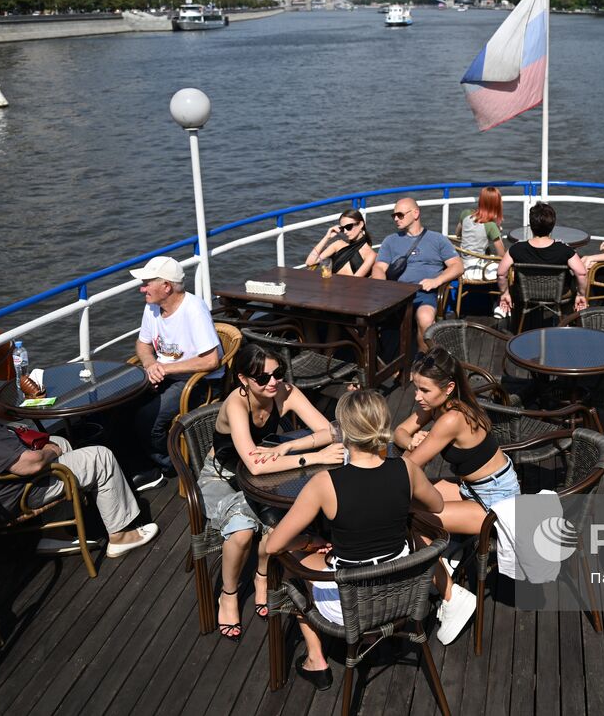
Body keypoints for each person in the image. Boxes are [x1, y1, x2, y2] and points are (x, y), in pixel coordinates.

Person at [263, 389, 448, 689]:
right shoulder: (406, 468)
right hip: (404, 592)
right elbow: (437, 505)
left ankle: (315, 659)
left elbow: (275, 546)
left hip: (351, 605)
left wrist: (308, 543)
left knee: (289, 565)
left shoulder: (325, 483)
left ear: (344, 432)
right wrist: (395, 503)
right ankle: (375, 634)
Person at [0, 351, 158, 557]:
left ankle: (64, 530)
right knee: (99, 456)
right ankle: (122, 536)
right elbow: (29, 465)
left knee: (61, 442)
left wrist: (50, 445)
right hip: (12, 496)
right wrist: (50, 450)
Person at [200, 343, 344, 641]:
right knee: (242, 533)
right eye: (262, 378)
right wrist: (313, 456)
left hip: (269, 472)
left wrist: (289, 446)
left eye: (277, 373)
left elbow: (330, 431)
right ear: (243, 380)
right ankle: (228, 594)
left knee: (280, 527)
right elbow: (253, 464)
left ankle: (262, 574)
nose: (273, 382)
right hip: (224, 476)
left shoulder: (284, 391)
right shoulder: (236, 404)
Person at [394, 347, 514, 643]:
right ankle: (445, 555)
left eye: (423, 389)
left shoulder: (452, 418)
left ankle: (451, 595)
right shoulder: (441, 403)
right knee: (414, 501)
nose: (417, 396)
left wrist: (411, 445)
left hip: (495, 502)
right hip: (474, 487)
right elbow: (399, 432)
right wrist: (411, 438)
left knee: (409, 518)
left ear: (448, 388)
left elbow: (409, 466)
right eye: (415, 388)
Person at [131, 255, 223, 491]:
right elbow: (142, 345)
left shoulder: (193, 309)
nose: (142, 288)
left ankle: (170, 466)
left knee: (148, 419)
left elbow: (212, 360)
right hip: (167, 375)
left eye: (147, 283)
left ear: (166, 286)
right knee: (120, 405)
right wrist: (152, 365)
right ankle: (140, 466)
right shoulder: (152, 307)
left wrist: (165, 368)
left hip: (198, 382)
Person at [371, 197, 462, 351]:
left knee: (425, 318)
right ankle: (380, 361)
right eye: (393, 216)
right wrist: (383, 286)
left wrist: (437, 281)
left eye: (400, 215)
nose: (396, 219)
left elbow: (458, 266)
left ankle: (421, 360)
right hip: (396, 292)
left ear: (415, 213)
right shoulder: (390, 241)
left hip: (424, 292)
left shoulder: (437, 239)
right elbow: (379, 267)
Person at [496, 201, 589, 317]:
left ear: (531, 225)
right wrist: (581, 294)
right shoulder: (565, 250)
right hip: (559, 294)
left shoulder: (517, 248)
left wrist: (504, 293)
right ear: (552, 225)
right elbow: (582, 274)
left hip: (525, 294)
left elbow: (501, 273)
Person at [304, 208, 376, 277]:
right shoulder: (338, 245)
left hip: (349, 288)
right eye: (342, 228)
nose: (345, 232)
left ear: (361, 224)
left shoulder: (370, 255)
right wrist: (326, 237)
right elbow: (310, 262)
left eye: (348, 227)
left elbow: (355, 280)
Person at [456, 186, 506, 280]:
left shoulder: (466, 213)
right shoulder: (491, 226)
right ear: (497, 205)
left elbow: (458, 234)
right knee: (509, 268)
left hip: (461, 265)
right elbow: (501, 255)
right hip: (477, 271)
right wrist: (498, 233)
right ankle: (504, 294)